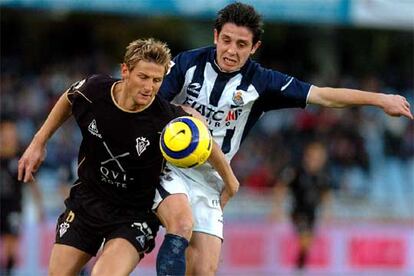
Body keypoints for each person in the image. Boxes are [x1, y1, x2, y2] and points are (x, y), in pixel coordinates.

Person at [154, 2, 413, 275]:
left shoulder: (263, 82)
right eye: (227, 40)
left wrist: (380, 99)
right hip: (174, 169)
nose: (231, 50)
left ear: (254, 47)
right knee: (181, 224)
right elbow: (154, 105)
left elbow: (323, 95)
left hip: (213, 181)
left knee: (204, 270)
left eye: (242, 44)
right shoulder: (187, 63)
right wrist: (182, 110)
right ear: (216, 36)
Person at [17, 38, 239, 276]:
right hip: (87, 202)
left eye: (157, 80)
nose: (149, 87)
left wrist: (230, 181)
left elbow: (203, 139)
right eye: (143, 77)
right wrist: (38, 143)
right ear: (125, 70)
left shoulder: (166, 117)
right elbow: (69, 98)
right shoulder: (95, 91)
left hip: (133, 215)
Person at [272, 141, 332, 270]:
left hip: (312, 213)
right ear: (307, 156)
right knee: (305, 239)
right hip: (298, 212)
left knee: (307, 244)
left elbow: (326, 193)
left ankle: (300, 266)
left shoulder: (322, 175)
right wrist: (277, 208)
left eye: (320, 158)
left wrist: (327, 211)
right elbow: (280, 187)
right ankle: (299, 267)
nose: (317, 161)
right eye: (315, 157)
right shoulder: (296, 171)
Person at [0, 118, 44, 276]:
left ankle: (8, 272)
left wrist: (39, 206)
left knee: (11, 244)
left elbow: (32, 183)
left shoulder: (21, 156)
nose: (8, 135)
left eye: (11, 131)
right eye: (5, 132)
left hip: (14, 207)